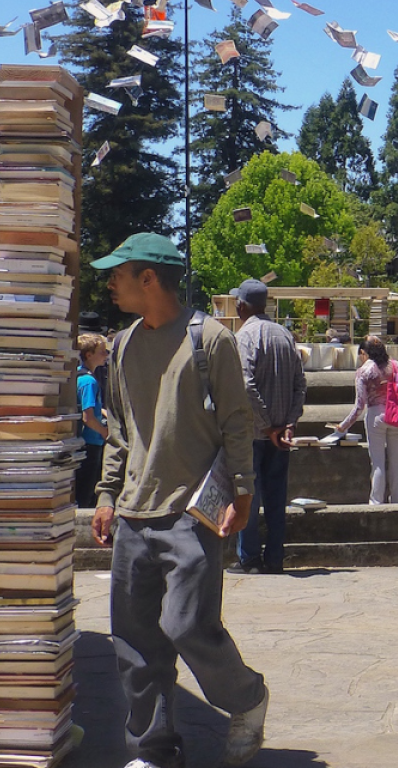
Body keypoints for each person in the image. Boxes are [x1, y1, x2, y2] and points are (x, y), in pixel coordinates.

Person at [87, 234, 268, 768]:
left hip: (192, 513)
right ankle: (153, 750)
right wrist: (105, 495)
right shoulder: (120, 347)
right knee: (136, 646)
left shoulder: (210, 340)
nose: (110, 283)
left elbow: (237, 419)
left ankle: (246, 698)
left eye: (118, 273)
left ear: (149, 279)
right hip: (134, 514)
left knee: (188, 625)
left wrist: (243, 489)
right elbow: (120, 431)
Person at [229, 279, 307, 575]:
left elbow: (246, 385)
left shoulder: (245, 336)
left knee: (248, 494)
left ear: (241, 306)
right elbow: (301, 384)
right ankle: (275, 557)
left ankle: (249, 559)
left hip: (253, 433)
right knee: (276, 498)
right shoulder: (285, 335)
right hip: (280, 436)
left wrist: (266, 426)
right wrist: (288, 423)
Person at [338, 336, 398, 504]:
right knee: (397, 461)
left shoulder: (364, 371)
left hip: (376, 415)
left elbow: (359, 406)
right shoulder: (395, 366)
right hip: (397, 415)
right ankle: (397, 501)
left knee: (378, 462)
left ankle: (376, 502)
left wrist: (343, 425)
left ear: (363, 353)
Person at [76, 333, 110, 510]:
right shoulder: (89, 381)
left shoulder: (80, 377)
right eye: (102, 352)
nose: (106, 356)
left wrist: (104, 414)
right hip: (91, 443)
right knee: (86, 493)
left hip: (82, 443)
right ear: (89, 354)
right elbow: (88, 417)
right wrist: (106, 433)